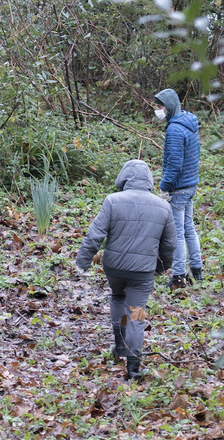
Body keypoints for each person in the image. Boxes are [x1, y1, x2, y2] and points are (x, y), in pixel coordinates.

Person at [75, 160, 176, 381]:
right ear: (149, 180)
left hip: (114, 269)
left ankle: (120, 346)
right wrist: (160, 268)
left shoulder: (112, 201)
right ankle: (133, 367)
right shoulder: (164, 207)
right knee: (137, 314)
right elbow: (169, 246)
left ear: (124, 178)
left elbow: (95, 235)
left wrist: (82, 262)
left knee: (117, 297)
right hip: (142, 273)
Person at [154, 88, 203, 289]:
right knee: (189, 228)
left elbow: (175, 164)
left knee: (178, 233)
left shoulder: (175, 130)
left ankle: (179, 277)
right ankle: (197, 271)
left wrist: (164, 187)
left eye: (160, 107)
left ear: (170, 107)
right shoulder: (188, 123)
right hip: (190, 184)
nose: (158, 111)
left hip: (179, 188)